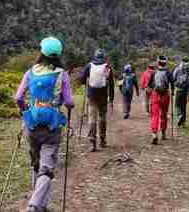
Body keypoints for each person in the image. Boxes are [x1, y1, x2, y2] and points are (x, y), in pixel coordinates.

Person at [14, 37, 75, 212]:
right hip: (52, 126)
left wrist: (25, 108)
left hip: (32, 124)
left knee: (36, 163)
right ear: (58, 55)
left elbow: (18, 98)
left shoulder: (30, 72)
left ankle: (41, 204)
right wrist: (66, 104)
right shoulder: (62, 74)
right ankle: (34, 205)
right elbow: (70, 101)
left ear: (42, 53)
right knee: (46, 168)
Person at [80, 48, 115, 152]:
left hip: (92, 96)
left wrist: (87, 81)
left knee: (92, 119)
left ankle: (92, 142)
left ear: (95, 56)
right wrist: (111, 98)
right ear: (103, 57)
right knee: (102, 117)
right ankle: (103, 140)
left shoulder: (89, 65)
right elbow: (112, 84)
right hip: (103, 97)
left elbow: (82, 80)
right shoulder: (107, 67)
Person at [146, 55, 174, 144]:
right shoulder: (169, 72)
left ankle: (154, 134)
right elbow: (172, 84)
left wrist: (149, 94)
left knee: (155, 115)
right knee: (164, 114)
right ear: (165, 63)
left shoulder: (154, 73)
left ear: (158, 62)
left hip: (155, 95)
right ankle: (163, 133)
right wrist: (172, 92)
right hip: (165, 95)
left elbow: (149, 86)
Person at [172, 56, 189, 127]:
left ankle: (179, 116)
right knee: (184, 106)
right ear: (188, 61)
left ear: (181, 61)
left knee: (177, 105)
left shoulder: (177, 69)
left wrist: (173, 87)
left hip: (179, 90)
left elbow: (173, 79)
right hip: (187, 91)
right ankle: (183, 123)